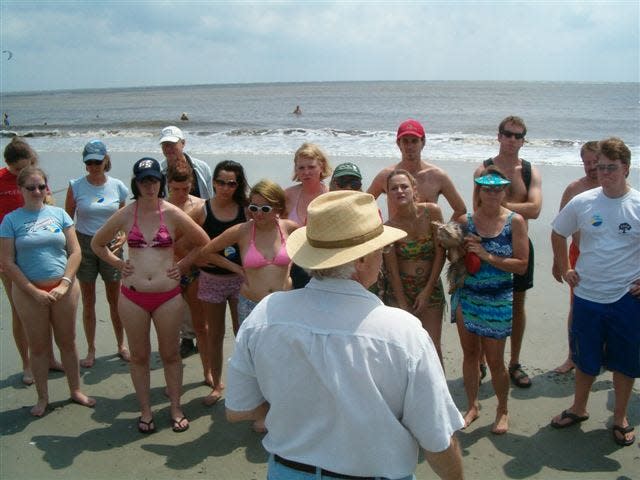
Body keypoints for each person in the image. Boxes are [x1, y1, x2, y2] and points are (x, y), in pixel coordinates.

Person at [225, 191, 465, 479]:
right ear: (362, 259)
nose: (383, 255)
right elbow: (437, 438)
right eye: (380, 249)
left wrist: (295, 414)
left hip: (287, 470)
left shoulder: (266, 314)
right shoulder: (403, 332)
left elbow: (238, 409)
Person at [91, 157, 209, 434]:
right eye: (144, 181)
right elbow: (97, 243)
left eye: (154, 180)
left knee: (170, 355)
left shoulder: (171, 213)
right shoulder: (125, 213)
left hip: (167, 296)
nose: (149, 186)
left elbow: (203, 242)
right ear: (136, 183)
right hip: (133, 297)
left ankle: (176, 408)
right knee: (139, 357)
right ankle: (145, 411)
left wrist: (181, 265)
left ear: (161, 182)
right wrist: (119, 263)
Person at [550, 137, 639, 448]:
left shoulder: (637, 204)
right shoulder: (583, 201)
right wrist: (564, 268)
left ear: (626, 168)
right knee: (584, 359)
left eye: (611, 168)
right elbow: (558, 232)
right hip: (588, 297)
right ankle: (578, 408)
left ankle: (620, 417)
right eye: (600, 167)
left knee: (625, 362)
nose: (604, 173)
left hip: (626, 299)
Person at [0, 166, 96, 416]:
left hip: (63, 288)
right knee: (39, 346)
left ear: (47, 188)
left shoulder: (59, 214)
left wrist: (65, 283)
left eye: (41, 186)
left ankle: (75, 390)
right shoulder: (11, 220)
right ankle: (43, 398)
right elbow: (7, 262)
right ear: (20, 189)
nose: (36, 191)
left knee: (68, 341)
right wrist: (33, 291)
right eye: (30, 187)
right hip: (29, 292)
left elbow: (75, 252)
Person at [453, 168, 529, 434]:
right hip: (468, 297)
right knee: (470, 355)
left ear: (505, 191)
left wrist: (487, 256)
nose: (493, 193)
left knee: (496, 361)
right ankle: (472, 406)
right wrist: (455, 246)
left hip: (498, 299)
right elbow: (451, 256)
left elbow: (521, 265)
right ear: (479, 191)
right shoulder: (465, 221)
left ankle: (502, 409)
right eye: (487, 188)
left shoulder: (515, 221)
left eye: (498, 189)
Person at [473, 115, 542, 389]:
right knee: (482, 300)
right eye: (508, 134)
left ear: (524, 140)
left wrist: (499, 205)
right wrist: (511, 207)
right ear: (498, 136)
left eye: (518, 135)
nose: (512, 139)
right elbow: (477, 208)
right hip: (486, 241)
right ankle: (479, 360)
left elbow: (535, 210)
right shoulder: (483, 170)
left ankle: (513, 362)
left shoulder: (529, 171)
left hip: (520, 243)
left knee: (516, 305)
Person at [1, 138, 62, 385]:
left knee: (45, 306)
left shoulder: (36, 180)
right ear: (8, 164)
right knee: (21, 311)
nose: (22, 174)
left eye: (27, 167)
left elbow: (49, 207)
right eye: (18, 170)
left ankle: (48, 358)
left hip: (38, 253)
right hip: (9, 255)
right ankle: (27, 363)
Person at [64, 140, 129, 367]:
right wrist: (70, 249)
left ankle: (121, 345)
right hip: (85, 245)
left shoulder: (118, 186)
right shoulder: (76, 186)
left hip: (111, 246)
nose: (93, 166)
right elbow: (67, 221)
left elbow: (124, 219)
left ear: (105, 160)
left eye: (97, 161)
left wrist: (123, 236)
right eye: (89, 162)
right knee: (89, 300)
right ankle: (91, 349)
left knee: (115, 300)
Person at [197, 160, 248, 406]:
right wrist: (195, 260)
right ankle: (217, 384)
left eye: (231, 183)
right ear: (213, 182)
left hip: (241, 282)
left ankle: (246, 384)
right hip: (211, 280)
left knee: (244, 335)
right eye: (220, 182)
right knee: (214, 335)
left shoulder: (247, 209)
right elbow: (179, 237)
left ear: (238, 185)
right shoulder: (203, 209)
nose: (225, 188)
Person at [159, 125, 213, 357]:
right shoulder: (159, 171)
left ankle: (203, 334)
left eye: (173, 143)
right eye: (165, 145)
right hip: (171, 244)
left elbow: (209, 199)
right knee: (178, 303)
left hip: (198, 240)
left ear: (183, 143)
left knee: (201, 297)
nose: (169, 148)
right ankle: (187, 338)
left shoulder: (201, 168)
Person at [384, 169, 446, 364]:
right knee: (405, 349)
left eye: (404, 186)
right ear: (388, 194)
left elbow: (440, 253)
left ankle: (439, 393)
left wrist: (427, 290)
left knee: (433, 346)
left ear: (413, 189)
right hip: (401, 290)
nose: (399, 191)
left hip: (430, 286)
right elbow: (392, 271)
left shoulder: (432, 212)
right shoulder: (388, 227)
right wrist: (402, 303)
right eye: (394, 188)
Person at [552, 141, 600, 374]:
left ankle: (604, 354)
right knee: (577, 307)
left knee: (610, 306)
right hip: (578, 256)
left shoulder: (616, 187)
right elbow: (559, 230)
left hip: (610, 260)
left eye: (595, 162)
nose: (590, 167)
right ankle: (573, 356)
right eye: (586, 162)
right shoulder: (574, 189)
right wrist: (558, 263)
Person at [367, 119, 466, 220]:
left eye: (414, 141)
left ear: (423, 142)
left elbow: (460, 209)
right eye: (405, 141)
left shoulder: (437, 176)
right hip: (398, 234)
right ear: (398, 143)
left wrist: (444, 232)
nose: (410, 146)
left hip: (426, 235)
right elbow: (363, 204)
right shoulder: (386, 176)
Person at [166, 163, 209, 387]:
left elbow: (206, 242)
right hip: (168, 274)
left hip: (194, 271)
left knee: (201, 326)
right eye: (176, 189)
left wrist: (186, 261)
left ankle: (208, 373)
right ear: (168, 186)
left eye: (185, 189)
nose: (181, 194)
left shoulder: (201, 206)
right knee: (170, 329)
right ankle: (173, 382)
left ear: (191, 184)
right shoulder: (160, 208)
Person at [284, 143, 331, 289]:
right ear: (296, 170)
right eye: (301, 168)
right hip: (293, 263)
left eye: (311, 167)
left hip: (324, 264)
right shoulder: (288, 195)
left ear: (321, 167)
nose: (306, 172)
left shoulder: (331, 196)